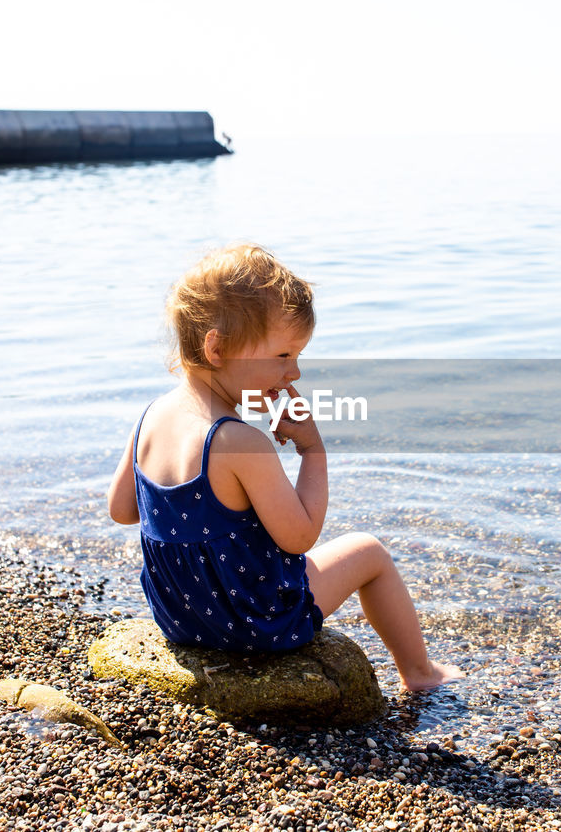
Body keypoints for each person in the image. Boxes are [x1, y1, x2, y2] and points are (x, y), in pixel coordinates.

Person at [106, 243, 462, 691]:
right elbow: (299, 537)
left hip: (181, 618)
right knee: (368, 552)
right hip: (258, 623)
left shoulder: (151, 416)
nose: (294, 373)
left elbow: (122, 509)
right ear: (216, 349)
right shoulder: (238, 441)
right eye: (282, 356)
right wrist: (313, 450)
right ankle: (421, 673)